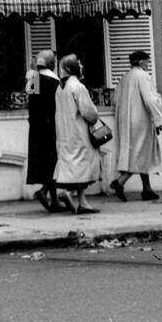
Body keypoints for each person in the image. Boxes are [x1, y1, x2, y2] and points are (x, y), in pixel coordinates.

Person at [110, 50, 162, 202]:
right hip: (140, 121)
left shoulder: (125, 77)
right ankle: (120, 182)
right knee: (140, 155)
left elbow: (115, 100)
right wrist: (160, 119)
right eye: (147, 61)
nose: (148, 64)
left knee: (140, 154)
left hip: (127, 122)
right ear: (142, 62)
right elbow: (149, 100)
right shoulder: (143, 76)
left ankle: (147, 189)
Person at [53, 54, 101, 214]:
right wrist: (94, 118)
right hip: (80, 132)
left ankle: (82, 202)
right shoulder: (78, 87)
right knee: (83, 166)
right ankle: (68, 194)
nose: (81, 67)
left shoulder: (60, 88)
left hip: (65, 133)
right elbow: (89, 113)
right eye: (79, 65)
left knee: (74, 167)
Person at [26, 49, 62, 212]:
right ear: (50, 63)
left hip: (36, 126)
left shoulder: (33, 79)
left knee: (45, 163)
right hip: (51, 126)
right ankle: (45, 192)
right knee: (52, 162)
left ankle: (53, 200)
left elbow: (32, 104)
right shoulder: (53, 81)